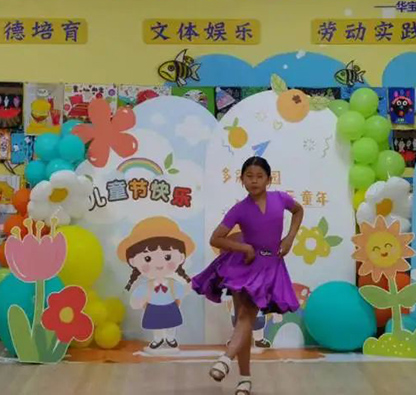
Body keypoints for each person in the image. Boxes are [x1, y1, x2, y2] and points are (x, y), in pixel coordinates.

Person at [192, 157, 304, 395]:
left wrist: (290, 238)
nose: (254, 181)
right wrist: (243, 248)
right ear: (242, 179)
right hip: (243, 265)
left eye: (259, 176)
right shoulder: (240, 209)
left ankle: (226, 360)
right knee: (243, 319)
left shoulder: (280, 199)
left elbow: (298, 211)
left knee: (246, 316)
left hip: (270, 265)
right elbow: (216, 238)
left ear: (269, 179)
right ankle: (243, 377)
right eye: (249, 176)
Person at [118, 216, 195, 352]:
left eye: (167, 257)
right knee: (156, 325)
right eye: (148, 258)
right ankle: (158, 339)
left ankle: (170, 338)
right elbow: (137, 299)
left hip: (170, 306)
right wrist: (137, 301)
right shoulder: (146, 286)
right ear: (133, 261)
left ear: (181, 257)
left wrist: (189, 288)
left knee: (172, 323)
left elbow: (182, 292)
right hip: (153, 307)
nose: (159, 263)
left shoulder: (172, 284)